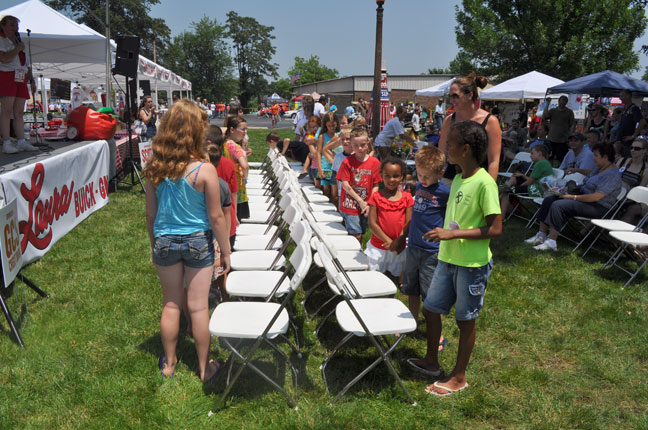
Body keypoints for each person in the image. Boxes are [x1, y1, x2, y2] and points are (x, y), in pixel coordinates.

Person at [410, 120, 501, 396]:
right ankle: (431, 361)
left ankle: (459, 376)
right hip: (448, 259)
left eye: (449, 143)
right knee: (430, 309)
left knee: (465, 321)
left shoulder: (485, 183)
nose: (445, 146)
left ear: (465, 148)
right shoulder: (459, 177)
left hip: (471, 265)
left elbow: (495, 228)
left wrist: (453, 235)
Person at [144, 99, 231, 381]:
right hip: (198, 242)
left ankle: (169, 364)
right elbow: (217, 217)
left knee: (171, 304)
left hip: (165, 241)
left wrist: (153, 243)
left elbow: (150, 213)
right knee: (198, 306)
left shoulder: (154, 167)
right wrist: (226, 251)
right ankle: (206, 369)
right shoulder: (205, 170)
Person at [398, 146, 450, 354]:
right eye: (420, 174)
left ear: (440, 173)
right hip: (414, 246)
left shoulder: (445, 192)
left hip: (432, 251)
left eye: (427, 176)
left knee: (431, 294)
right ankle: (412, 321)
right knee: (411, 288)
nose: (423, 179)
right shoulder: (419, 186)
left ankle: (438, 333)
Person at [526, 142, 622, 252]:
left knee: (558, 205)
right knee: (549, 200)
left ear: (605, 157)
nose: (593, 158)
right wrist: (563, 191)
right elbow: (586, 184)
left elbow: (596, 197)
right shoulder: (598, 168)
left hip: (598, 206)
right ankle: (541, 235)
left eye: (596, 155)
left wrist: (572, 197)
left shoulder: (612, 175)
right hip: (584, 198)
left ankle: (551, 241)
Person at [438, 75, 502, 182]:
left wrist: (490, 188)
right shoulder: (449, 121)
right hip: (451, 180)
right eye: (450, 96)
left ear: (470, 95)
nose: (451, 100)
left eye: (455, 96)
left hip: (478, 180)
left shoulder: (491, 121)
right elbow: (441, 155)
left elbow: (494, 161)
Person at [364, 157, 414, 281]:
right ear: (382, 176)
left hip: (399, 246)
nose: (392, 179)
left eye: (396, 176)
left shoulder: (407, 198)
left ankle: (390, 297)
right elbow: (372, 223)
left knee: (393, 278)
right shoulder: (376, 197)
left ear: (402, 177)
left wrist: (397, 241)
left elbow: (409, 223)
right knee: (376, 278)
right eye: (387, 176)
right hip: (379, 246)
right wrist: (389, 242)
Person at [0, 15, 38, 154]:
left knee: (19, 112)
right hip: (6, 75)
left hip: (20, 76)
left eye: (16, 26)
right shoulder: (1, 39)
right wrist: (17, 48)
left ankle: (21, 141)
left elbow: (25, 63)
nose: (14, 28)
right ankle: (6, 142)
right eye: (11, 25)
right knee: (6, 111)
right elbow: (3, 58)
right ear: (3, 26)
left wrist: (31, 80)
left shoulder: (18, 40)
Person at [336, 127, 382, 242]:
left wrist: (369, 202)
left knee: (362, 231)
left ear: (368, 143)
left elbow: (376, 185)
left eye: (362, 145)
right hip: (350, 203)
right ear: (351, 145)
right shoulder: (347, 162)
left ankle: (358, 252)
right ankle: (353, 256)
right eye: (356, 145)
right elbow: (345, 185)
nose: (360, 148)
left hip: (367, 203)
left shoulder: (374, 162)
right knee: (355, 234)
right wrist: (360, 201)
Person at [500, 144, 553, 217]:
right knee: (515, 177)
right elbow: (534, 180)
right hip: (541, 188)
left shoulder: (539, 164)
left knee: (507, 192)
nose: (530, 155)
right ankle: (502, 193)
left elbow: (529, 182)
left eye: (532, 153)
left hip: (537, 191)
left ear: (539, 153)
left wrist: (518, 187)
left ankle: (500, 217)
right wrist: (523, 176)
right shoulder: (545, 163)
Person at [223, 116, 250, 221]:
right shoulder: (235, 146)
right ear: (232, 129)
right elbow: (245, 166)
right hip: (237, 187)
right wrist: (245, 177)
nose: (245, 132)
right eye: (242, 129)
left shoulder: (224, 142)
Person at [543, 95, 575, 163]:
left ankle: (560, 171)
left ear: (566, 102)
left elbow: (572, 124)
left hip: (563, 140)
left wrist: (570, 135)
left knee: (561, 159)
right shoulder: (553, 111)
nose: (562, 102)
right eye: (561, 100)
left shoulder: (569, 112)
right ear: (558, 101)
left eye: (564, 101)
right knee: (549, 157)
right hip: (551, 138)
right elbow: (545, 116)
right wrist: (548, 103)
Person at [317, 112, 340, 202]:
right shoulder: (322, 136)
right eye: (329, 125)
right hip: (325, 166)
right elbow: (318, 153)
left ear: (337, 124)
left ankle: (335, 208)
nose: (331, 127)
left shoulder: (339, 135)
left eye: (333, 125)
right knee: (326, 190)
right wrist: (320, 169)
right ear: (325, 124)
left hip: (336, 167)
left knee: (335, 193)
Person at [326, 127, 352, 208]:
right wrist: (337, 192)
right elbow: (336, 175)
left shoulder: (358, 156)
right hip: (342, 191)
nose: (345, 141)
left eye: (348, 139)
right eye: (342, 139)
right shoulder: (338, 157)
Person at [617, 89, 646, 157]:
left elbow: (642, 122)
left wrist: (633, 136)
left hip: (629, 142)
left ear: (628, 96)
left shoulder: (634, 108)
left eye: (622, 96)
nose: (620, 98)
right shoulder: (624, 108)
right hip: (621, 141)